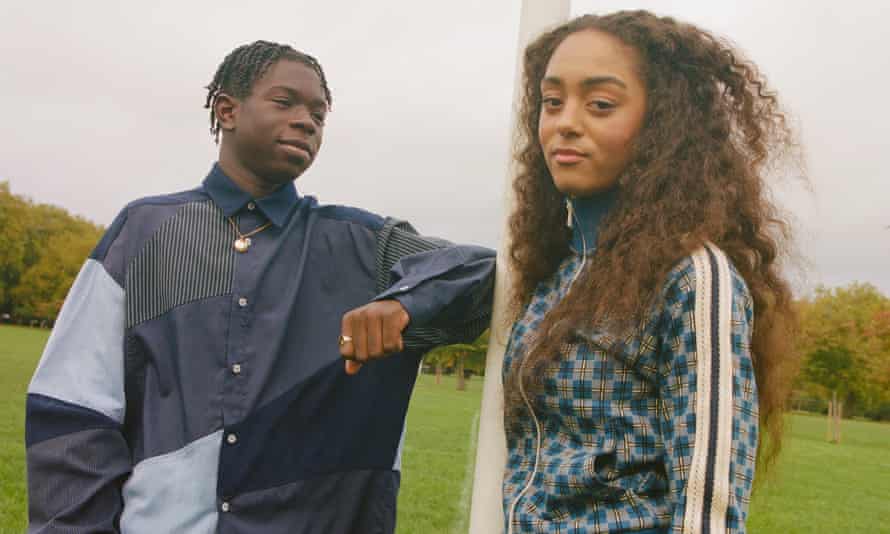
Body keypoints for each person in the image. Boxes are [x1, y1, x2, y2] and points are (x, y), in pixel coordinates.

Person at [25, 40, 494, 533]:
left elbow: (482, 273)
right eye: (285, 101)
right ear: (227, 110)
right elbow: (73, 410)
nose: (307, 121)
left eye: (318, 113)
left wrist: (405, 304)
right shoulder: (144, 233)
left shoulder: (363, 246)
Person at [500, 11, 798, 533]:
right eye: (552, 102)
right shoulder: (554, 270)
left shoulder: (692, 277)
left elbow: (710, 504)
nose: (565, 122)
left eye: (600, 105)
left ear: (663, 126)